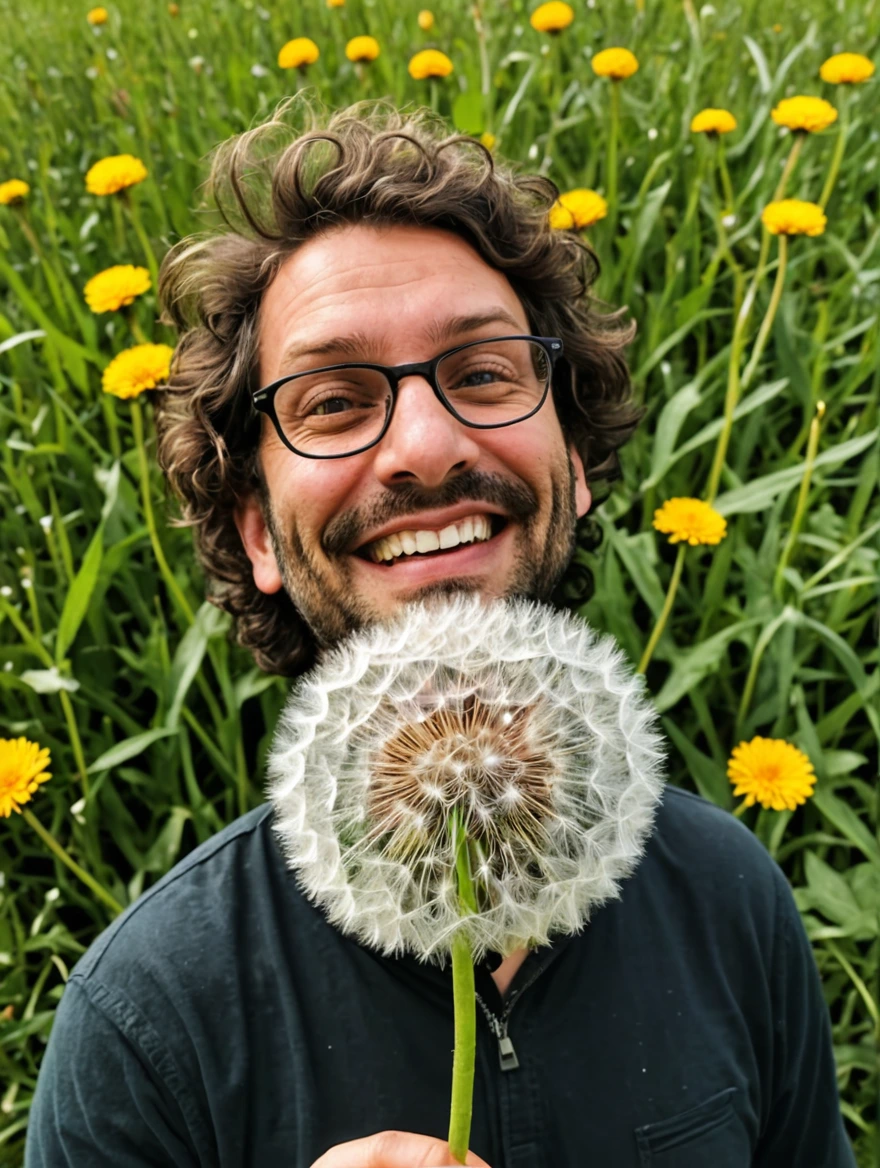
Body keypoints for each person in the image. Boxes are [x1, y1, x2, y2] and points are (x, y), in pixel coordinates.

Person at [25, 100, 855, 1168]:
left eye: (483, 372)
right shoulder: (144, 1024)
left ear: (580, 468)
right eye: (331, 400)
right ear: (257, 534)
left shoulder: (729, 896)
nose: (423, 442)